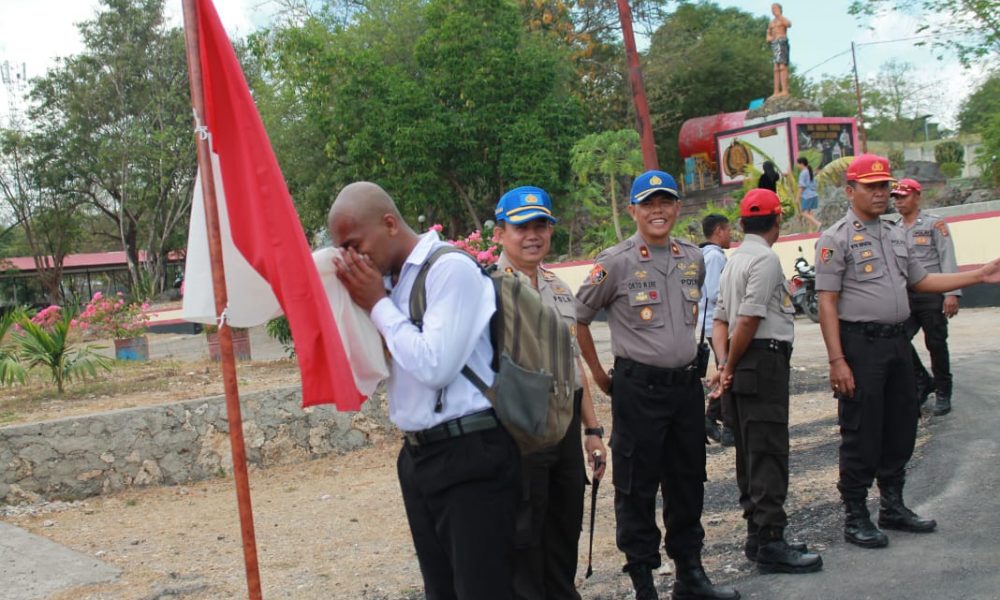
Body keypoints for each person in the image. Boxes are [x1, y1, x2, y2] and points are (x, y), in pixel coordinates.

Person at [330, 181, 520, 600]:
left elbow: (435, 365)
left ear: (389, 224)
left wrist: (378, 305)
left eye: (354, 244)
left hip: (470, 452)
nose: (351, 257)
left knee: (482, 590)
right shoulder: (390, 280)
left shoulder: (449, 268)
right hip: (419, 456)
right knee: (442, 590)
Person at [814, 154, 1000, 549]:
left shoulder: (896, 233)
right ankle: (856, 515)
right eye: (871, 186)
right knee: (862, 430)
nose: (881, 193)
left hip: (898, 343)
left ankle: (893, 506)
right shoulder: (836, 238)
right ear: (851, 191)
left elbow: (923, 280)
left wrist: (978, 275)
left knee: (902, 423)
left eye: (885, 186)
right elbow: (827, 302)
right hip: (859, 346)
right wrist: (837, 360)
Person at [575, 170, 739, 600]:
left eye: (665, 202)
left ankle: (690, 574)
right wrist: (598, 375)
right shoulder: (615, 262)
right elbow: (578, 318)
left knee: (687, 481)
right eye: (648, 203)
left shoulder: (694, 258)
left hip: (684, 390)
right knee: (636, 487)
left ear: (677, 207)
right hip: (637, 390)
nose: (657, 211)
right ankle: (644, 583)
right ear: (633, 210)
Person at [492, 186, 607, 600]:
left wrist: (593, 428)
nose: (532, 235)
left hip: (565, 422)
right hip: (520, 427)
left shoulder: (559, 287)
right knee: (525, 532)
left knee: (564, 522)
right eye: (522, 227)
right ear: (501, 232)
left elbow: (574, 362)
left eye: (540, 225)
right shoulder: (487, 289)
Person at [708, 189, 823, 575]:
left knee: (748, 451)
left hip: (739, 360)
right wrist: (731, 365)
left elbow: (720, 321)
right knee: (769, 450)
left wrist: (724, 362)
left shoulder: (733, 259)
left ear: (740, 224)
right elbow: (748, 319)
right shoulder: (766, 259)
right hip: (760, 359)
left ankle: (757, 535)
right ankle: (771, 539)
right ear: (778, 222)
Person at [892, 178, 959, 416]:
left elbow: (947, 257)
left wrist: (951, 293)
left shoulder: (934, 224)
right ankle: (922, 381)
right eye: (896, 198)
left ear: (917, 197)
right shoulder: (894, 229)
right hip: (906, 296)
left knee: (936, 344)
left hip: (932, 294)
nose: (899, 202)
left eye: (903, 196)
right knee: (898, 339)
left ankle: (943, 391)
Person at [699, 214, 734, 447]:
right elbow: (714, 292)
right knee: (730, 370)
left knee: (728, 369)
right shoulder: (713, 257)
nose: (730, 235)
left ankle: (714, 418)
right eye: (728, 230)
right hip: (716, 322)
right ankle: (722, 423)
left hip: (714, 321)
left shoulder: (709, 255)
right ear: (719, 231)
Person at [766, 3, 791, 98]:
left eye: (775, 8)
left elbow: (788, 24)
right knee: (776, 67)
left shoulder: (782, 19)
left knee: (782, 65)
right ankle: (776, 91)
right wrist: (769, 38)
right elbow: (768, 33)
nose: (773, 10)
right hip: (775, 43)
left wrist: (779, 15)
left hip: (782, 41)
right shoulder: (771, 22)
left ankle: (784, 90)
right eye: (772, 8)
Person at [796, 157, 821, 233]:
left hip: (807, 195)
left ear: (802, 164)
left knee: (803, 213)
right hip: (813, 194)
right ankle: (811, 230)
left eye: (798, 164)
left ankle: (817, 223)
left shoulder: (803, 173)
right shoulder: (809, 172)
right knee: (809, 213)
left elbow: (801, 186)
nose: (797, 166)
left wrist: (797, 197)